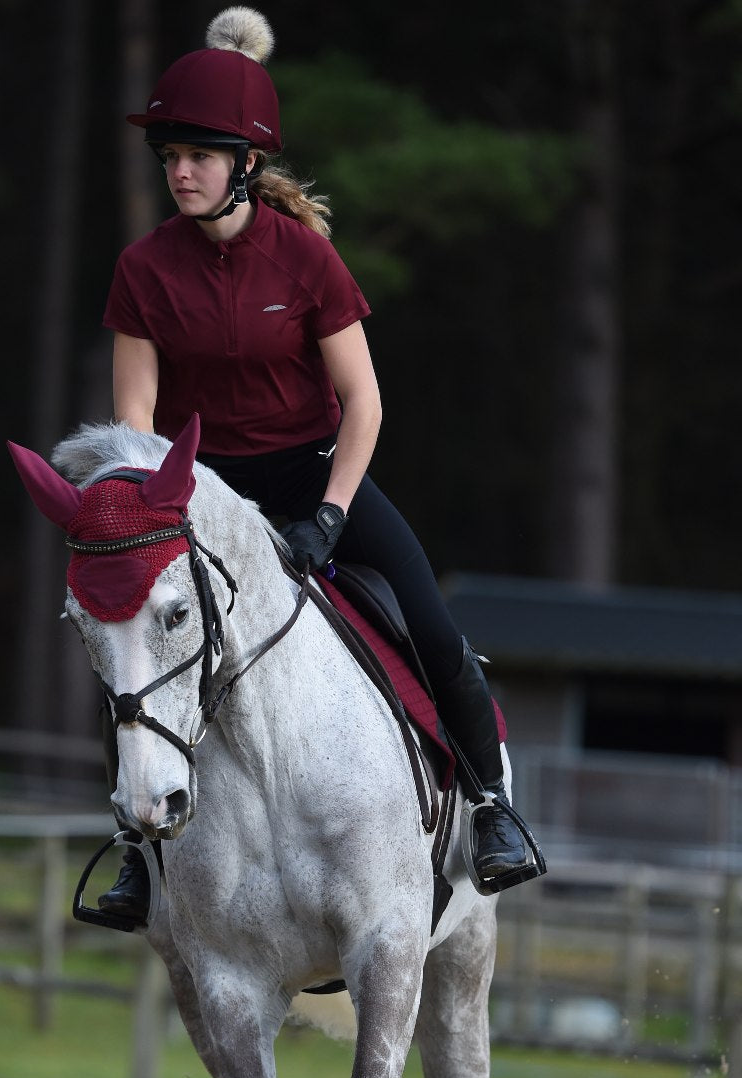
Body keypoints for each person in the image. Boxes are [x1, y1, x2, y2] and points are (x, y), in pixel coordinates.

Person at [96, 7, 542, 920]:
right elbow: (135, 418)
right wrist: (153, 515)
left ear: (245, 166)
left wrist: (333, 514)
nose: (179, 170)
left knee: (434, 630)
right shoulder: (143, 269)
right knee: (129, 640)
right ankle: (136, 848)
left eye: (200, 157)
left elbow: (364, 403)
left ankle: (493, 810)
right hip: (198, 490)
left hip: (311, 476)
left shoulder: (306, 259)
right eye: (171, 155)